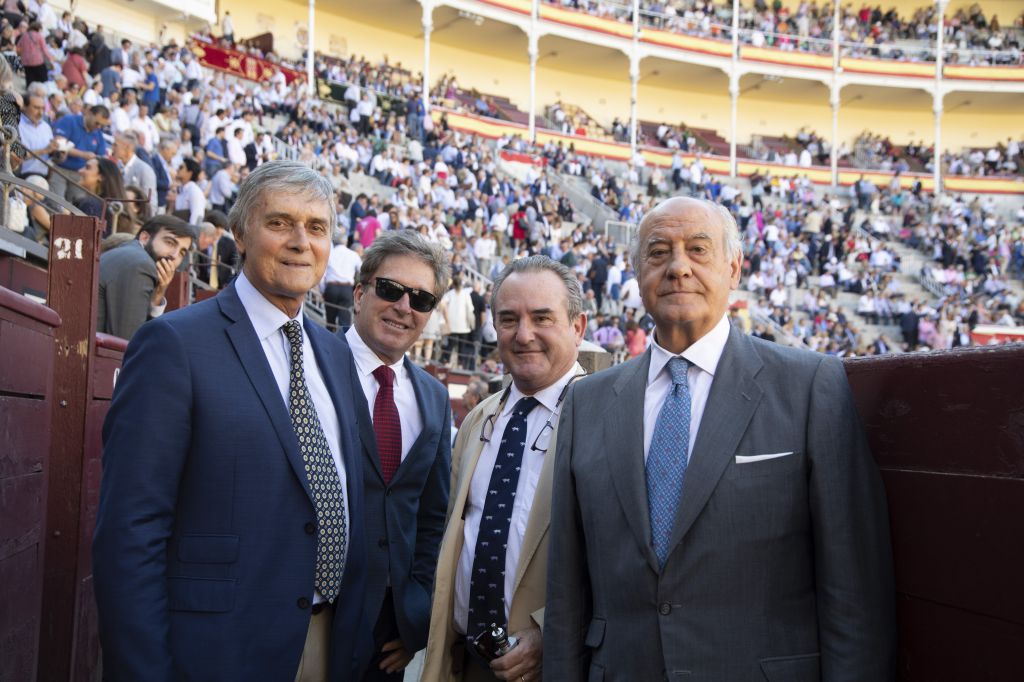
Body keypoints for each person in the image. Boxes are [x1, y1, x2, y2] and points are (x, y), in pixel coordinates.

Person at [544, 196, 896, 680]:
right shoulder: (588, 403)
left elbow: (854, 591)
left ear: (734, 268)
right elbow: (566, 587)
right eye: (659, 252)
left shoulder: (811, 386)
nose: (678, 268)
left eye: (699, 250)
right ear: (636, 272)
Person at [93, 161, 371, 680]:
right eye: (280, 223)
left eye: (316, 228)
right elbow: (130, 530)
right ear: (241, 235)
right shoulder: (174, 344)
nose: (299, 242)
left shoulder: (334, 356)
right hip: (218, 649)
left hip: (326, 643)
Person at [422, 256, 587, 682]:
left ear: (578, 327)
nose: (524, 334)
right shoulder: (478, 419)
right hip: (466, 663)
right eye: (509, 319)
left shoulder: (608, 419)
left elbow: (625, 562)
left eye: (542, 318)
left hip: (553, 668)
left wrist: (552, 632)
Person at [338, 230, 452, 681]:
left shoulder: (434, 396)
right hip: (309, 611)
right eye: (391, 289)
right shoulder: (311, 366)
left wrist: (415, 616)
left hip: (389, 630)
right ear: (361, 292)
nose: (405, 307)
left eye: (422, 299)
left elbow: (432, 513)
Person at [96, 214, 193, 340]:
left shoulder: (132, 255)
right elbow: (129, 342)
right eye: (170, 243)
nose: (174, 255)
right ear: (145, 237)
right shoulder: (141, 264)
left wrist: (158, 295)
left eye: (181, 252)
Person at [322, 231, 362, 330]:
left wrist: (323, 290)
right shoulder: (353, 255)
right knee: (345, 320)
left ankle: (329, 340)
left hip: (331, 287)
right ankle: (344, 343)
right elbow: (362, 270)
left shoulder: (329, 254)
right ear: (346, 242)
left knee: (330, 320)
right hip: (346, 289)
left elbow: (322, 274)